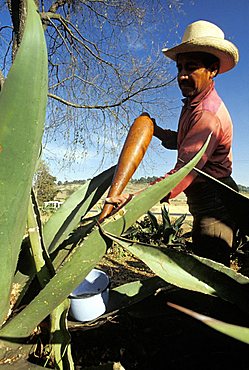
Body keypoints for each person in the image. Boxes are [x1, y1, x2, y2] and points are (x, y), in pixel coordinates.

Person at [107, 20, 239, 266]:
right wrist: (155, 130)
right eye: (179, 68)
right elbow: (181, 142)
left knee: (210, 272)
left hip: (215, 204)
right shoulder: (193, 104)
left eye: (191, 68)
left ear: (212, 70)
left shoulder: (207, 116)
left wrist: (134, 199)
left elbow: (183, 174)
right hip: (203, 199)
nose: (182, 76)